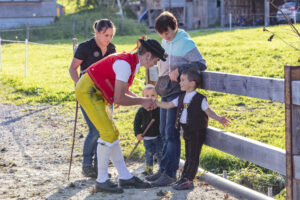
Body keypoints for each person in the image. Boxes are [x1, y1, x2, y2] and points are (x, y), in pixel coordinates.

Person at [75, 38, 167, 193]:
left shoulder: (134, 62)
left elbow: (122, 90)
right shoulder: (126, 65)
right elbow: (119, 98)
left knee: (113, 133)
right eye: (156, 60)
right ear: (148, 55)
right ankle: (101, 180)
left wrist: (141, 100)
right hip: (88, 91)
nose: (155, 64)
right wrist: (142, 100)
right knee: (107, 133)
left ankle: (124, 176)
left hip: (98, 90)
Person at [147, 11, 207, 186]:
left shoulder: (185, 42)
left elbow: (201, 63)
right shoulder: (166, 41)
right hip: (165, 89)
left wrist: (180, 69)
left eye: (167, 33)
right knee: (164, 132)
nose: (166, 37)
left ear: (175, 27)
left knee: (171, 133)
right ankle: (164, 170)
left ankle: (170, 173)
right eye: (162, 34)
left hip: (176, 91)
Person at [155, 67, 230, 190]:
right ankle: (184, 177)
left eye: (183, 80)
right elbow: (168, 105)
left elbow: (208, 111)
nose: (180, 83)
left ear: (193, 83)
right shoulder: (181, 97)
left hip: (196, 131)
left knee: (193, 155)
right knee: (188, 154)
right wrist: (155, 102)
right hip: (187, 130)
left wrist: (219, 118)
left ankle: (188, 179)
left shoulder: (199, 98)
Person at [69, 19, 116, 178]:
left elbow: (113, 73)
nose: (108, 39)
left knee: (106, 130)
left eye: (111, 35)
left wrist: (114, 95)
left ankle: (100, 166)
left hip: (104, 94)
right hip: (87, 94)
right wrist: (78, 86)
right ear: (96, 32)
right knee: (95, 129)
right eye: (105, 35)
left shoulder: (112, 49)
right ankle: (87, 164)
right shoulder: (85, 47)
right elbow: (72, 68)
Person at [133, 84, 163, 176]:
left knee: (160, 153)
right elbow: (136, 123)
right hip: (147, 137)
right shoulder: (141, 110)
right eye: (147, 96)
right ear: (143, 98)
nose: (150, 98)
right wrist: (138, 133)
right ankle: (149, 169)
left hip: (158, 136)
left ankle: (162, 169)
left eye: (153, 95)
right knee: (149, 153)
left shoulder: (160, 108)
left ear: (157, 96)